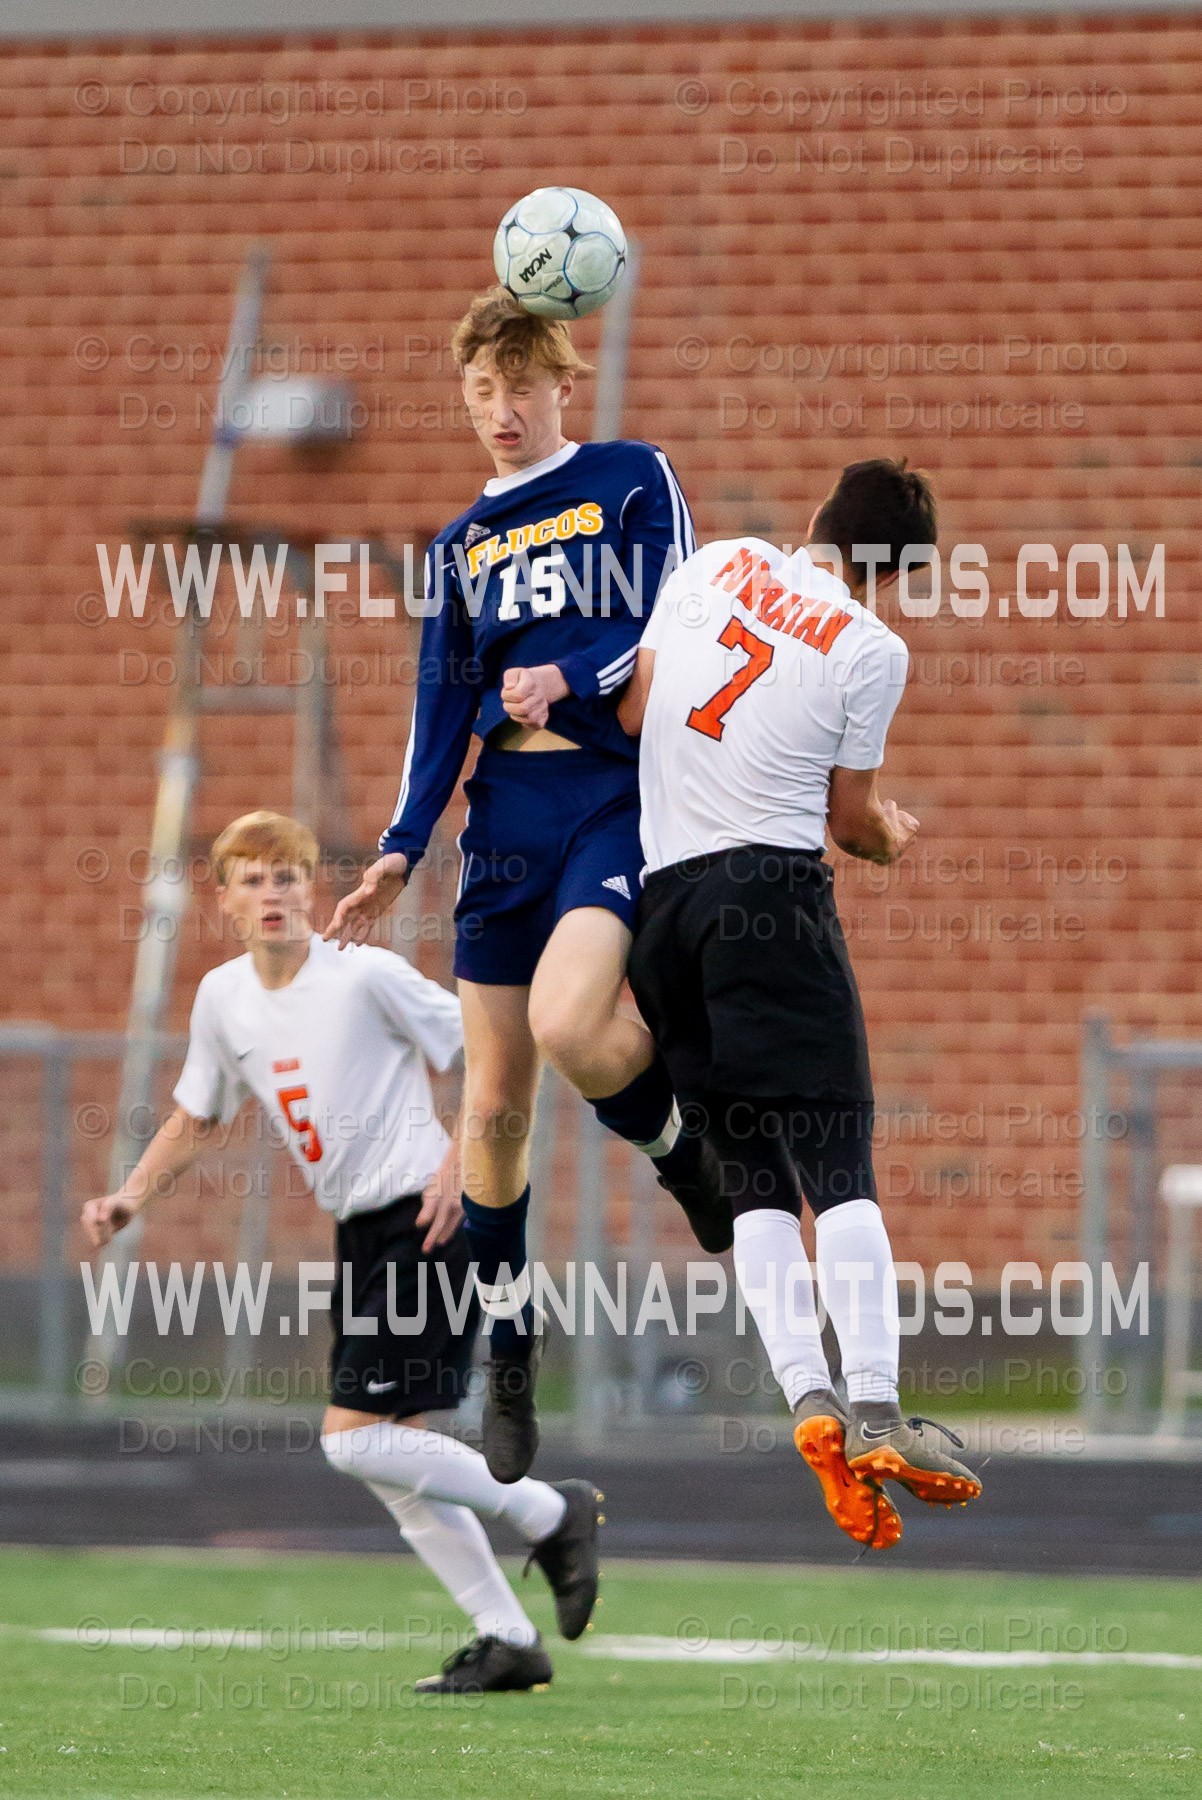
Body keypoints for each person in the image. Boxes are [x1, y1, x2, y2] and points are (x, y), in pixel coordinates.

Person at [325, 289, 729, 1486]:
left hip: (608, 802)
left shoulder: (627, 477)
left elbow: (679, 617)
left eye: (518, 387)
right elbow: (437, 707)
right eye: (479, 396)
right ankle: (508, 1348)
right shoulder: (458, 548)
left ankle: (679, 1153)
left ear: (561, 381)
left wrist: (569, 673)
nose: (501, 412)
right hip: (502, 823)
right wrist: (401, 843)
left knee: (568, 1024)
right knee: (491, 1109)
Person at [81, 810, 601, 1693]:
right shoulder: (223, 998)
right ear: (228, 901)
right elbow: (199, 1114)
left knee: (353, 1443)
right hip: (362, 1234)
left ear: (312, 887)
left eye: (288, 876)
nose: (274, 893)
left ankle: (554, 1514)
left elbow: (491, 1051)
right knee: (397, 1461)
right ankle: (507, 1639)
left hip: (428, 1221)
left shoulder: (363, 975)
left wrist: (458, 1165)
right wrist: (132, 1192)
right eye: (253, 880)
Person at [618, 459, 982, 1550]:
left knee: (752, 1179)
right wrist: (892, 838)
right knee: (836, 1162)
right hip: (766, 900)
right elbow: (847, 821)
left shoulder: (721, 560)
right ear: (894, 575)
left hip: (664, 909)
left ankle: (806, 1400)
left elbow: (638, 708)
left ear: (815, 516)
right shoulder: (870, 646)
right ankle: (873, 1404)